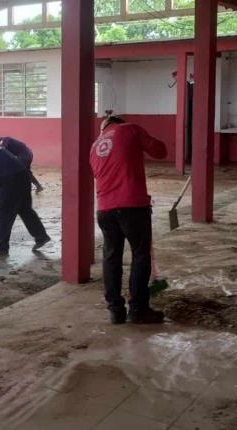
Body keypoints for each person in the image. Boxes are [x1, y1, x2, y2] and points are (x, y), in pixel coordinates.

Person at [89, 114, 167, 325]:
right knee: (140, 255)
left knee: (111, 257)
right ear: (119, 123)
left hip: (104, 209)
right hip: (132, 205)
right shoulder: (130, 129)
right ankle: (139, 309)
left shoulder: (95, 146)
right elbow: (160, 151)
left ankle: (116, 311)